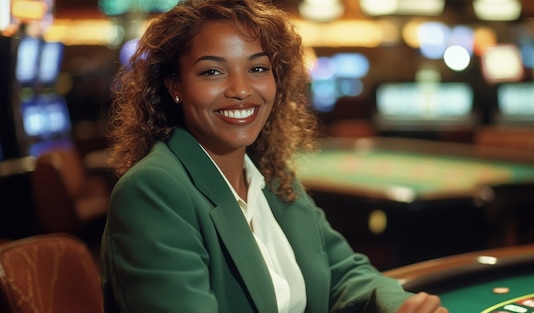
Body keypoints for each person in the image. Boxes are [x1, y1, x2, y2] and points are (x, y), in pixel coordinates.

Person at [100, 0, 449, 312]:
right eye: (212, 71)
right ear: (174, 86)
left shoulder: (273, 177)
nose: (240, 90)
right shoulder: (153, 190)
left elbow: (344, 272)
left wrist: (402, 306)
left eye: (257, 69)